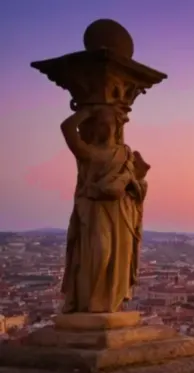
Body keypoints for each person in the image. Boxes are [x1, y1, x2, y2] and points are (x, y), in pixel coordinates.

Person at [59, 103, 149, 313]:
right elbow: (67, 129)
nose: (105, 129)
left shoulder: (125, 153)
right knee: (101, 252)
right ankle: (91, 303)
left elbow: (136, 184)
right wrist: (87, 111)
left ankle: (110, 304)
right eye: (100, 124)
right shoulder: (89, 153)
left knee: (118, 258)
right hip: (96, 211)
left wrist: (133, 181)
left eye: (108, 124)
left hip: (122, 213)